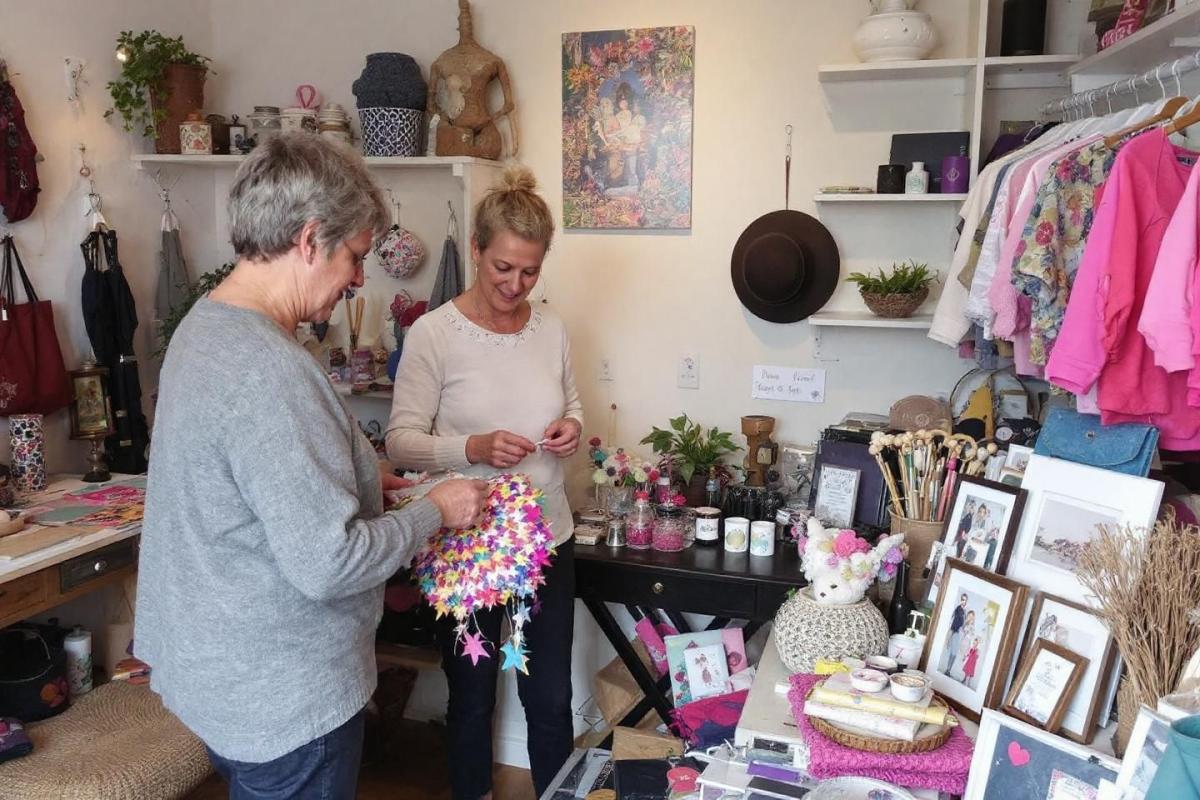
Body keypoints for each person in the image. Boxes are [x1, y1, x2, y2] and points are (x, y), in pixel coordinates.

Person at [136, 133, 489, 800]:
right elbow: (330, 563)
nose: (360, 278)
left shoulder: (204, 327)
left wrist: (360, 482)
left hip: (217, 674)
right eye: (355, 256)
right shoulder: (273, 370)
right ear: (307, 241)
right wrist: (431, 513)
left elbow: (243, 488)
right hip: (283, 696)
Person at [386, 165, 582, 800]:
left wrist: (569, 428)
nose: (515, 284)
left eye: (529, 271)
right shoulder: (434, 334)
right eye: (502, 267)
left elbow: (574, 406)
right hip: (470, 546)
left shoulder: (551, 330)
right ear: (476, 250)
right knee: (471, 696)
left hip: (547, 541)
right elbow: (400, 441)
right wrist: (469, 447)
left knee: (550, 697)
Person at [945, 594, 968, 675]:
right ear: (961, 599)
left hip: (959, 634)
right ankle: (948, 670)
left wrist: (964, 630)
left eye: (965, 600)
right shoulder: (958, 609)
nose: (964, 601)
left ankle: (948, 670)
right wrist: (949, 637)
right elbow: (954, 622)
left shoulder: (964, 611)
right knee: (953, 653)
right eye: (962, 599)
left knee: (954, 654)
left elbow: (963, 624)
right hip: (955, 632)